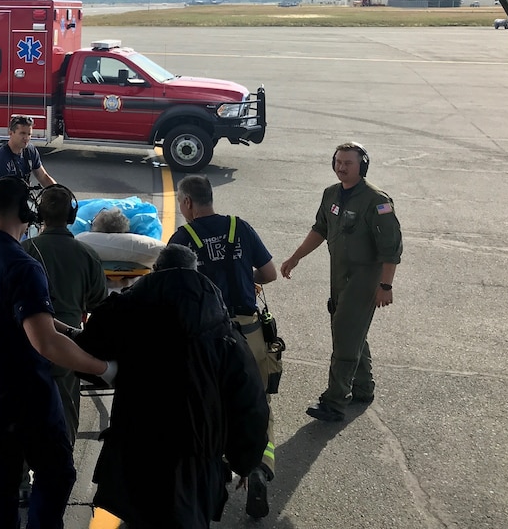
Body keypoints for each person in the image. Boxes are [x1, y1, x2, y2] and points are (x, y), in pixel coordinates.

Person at [74, 244, 269, 529]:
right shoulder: (222, 327)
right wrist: (245, 460)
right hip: (195, 466)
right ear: (195, 272)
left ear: (156, 271)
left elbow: (86, 353)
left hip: (136, 456)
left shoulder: (125, 309)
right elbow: (250, 401)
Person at [0, 176, 116, 529]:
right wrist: (103, 368)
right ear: (26, 212)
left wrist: (69, 331)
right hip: (23, 399)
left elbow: (20, 317)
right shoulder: (24, 266)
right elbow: (44, 342)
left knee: (0, 486)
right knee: (57, 474)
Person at [167, 175, 278, 519]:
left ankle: (216, 476)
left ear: (187, 203)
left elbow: (172, 290)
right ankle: (259, 467)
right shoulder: (239, 227)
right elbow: (269, 273)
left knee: (210, 406)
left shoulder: (184, 238)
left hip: (210, 338)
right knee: (259, 402)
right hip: (251, 332)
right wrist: (245, 278)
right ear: (210, 198)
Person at [280, 142, 402, 423]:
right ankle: (363, 387)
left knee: (346, 333)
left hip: (365, 277)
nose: (342, 167)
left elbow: (391, 247)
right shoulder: (331, 194)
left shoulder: (376, 201)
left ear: (362, 166)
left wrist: (385, 285)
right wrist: (295, 257)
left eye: (348, 162)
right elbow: (320, 229)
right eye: (338, 162)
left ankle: (335, 401)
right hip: (339, 273)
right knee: (351, 329)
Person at [22, 184, 108, 444]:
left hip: (28, 345)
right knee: (65, 418)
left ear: (39, 215)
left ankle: (24, 480)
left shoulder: (24, 252)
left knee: (25, 414)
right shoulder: (87, 255)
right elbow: (99, 304)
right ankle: (60, 474)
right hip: (67, 350)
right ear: (71, 217)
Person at [0, 114, 56, 188]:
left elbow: (43, 177)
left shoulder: (30, 150)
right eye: (22, 133)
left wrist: (61, 194)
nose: (26, 138)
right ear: (11, 133)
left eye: (29, 134)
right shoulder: (0, 159)